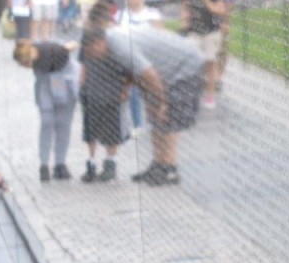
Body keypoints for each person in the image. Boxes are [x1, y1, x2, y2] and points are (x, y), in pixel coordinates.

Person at [81, 24, 204, 186]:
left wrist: (162, 102)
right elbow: (134, 73)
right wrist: (145, 98)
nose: (92, 56)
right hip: (164, 70)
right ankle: (158, 165)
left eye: (91, 51)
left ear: (99, 42)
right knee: (154, 117)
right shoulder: (111, 41)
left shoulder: (120, 46)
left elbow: (149, 74)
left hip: (184, 65)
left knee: (166, 117)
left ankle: (169, 169)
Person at [13, 38, 79, 182]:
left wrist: (65, 48)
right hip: (45, 87)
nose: (25, 67)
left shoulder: (51, 50)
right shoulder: (34, 54)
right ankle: (44, 164)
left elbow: (71, 45)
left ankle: (60, 163)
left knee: (63, 126)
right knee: (46, 123)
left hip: (64, 84)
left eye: (24, 63)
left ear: (28, 56)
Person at [79, 4, 128, 183]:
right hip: (102, 88)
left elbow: (124, 66)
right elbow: (83, 63)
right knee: (102, 129)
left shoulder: (114, 39)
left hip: (105, 88)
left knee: (100, 129)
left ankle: (101, 164)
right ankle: (103, 163)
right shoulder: (94, 37)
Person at [117, 0, 163, 132]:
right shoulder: (121, 15)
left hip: (148, 57)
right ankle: (137, 123)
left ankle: (154, 117)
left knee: (151, 89)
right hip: (129, 56)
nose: (132, 0)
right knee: (133, 91)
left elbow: (158, 35)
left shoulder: (152, 14)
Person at [182, 0, 225, 109]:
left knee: (210, 63)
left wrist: (206, 0)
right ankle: (193, 91)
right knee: (193, 62)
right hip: (194, 32)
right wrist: (185, 22)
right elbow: (186, 9)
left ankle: (210, 96)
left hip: (211, 32)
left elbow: (220, 10)